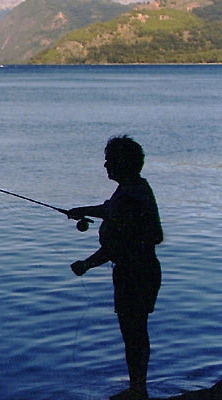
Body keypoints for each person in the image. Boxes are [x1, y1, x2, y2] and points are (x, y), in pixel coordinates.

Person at [67, 136, 163, 400]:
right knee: (135, 331)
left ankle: (137, 390)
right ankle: (138, 388)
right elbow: (109, 210)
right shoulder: (134, 188)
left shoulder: (130, 196)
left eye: (110, 159)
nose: (105, 164)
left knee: (133, 333)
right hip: (141, 270)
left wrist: (85, 264)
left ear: (123, 162)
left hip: (135, 273)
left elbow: (119, 246)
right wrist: (81, 210)